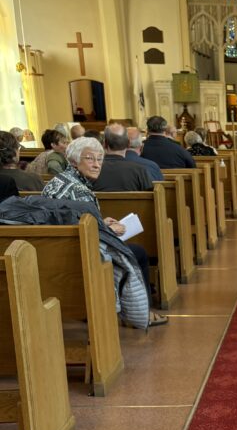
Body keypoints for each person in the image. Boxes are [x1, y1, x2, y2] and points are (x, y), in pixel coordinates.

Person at [41, 137, 168, 326]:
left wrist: (101, 223)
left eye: (100, 159)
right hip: (80, 255)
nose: (96, 164)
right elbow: (90, 236)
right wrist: (109, 230)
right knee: (137, 253)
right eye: (89, 159)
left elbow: (75, 222)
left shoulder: (57, 181)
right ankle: (141, 314)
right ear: (74, 161)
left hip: (57, 250)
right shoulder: (80, 190)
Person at [94, 125, 155, 191]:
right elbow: (151, 195)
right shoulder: (140, 171)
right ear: (128, 144)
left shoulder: (92, 170)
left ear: (104, 144)